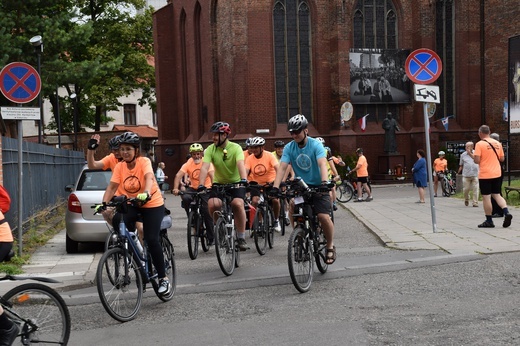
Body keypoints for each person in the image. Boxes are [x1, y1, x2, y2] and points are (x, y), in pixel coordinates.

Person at [96, 132, 171, 295]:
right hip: (132, 203)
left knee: (152, 239)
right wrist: (103, 204)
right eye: (122, 149)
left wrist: (145, 192)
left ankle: (163, 278)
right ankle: (134, 247)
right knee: (117, 220)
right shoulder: (120, 166)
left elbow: (149, 177)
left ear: (136, 150)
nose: (124, 152)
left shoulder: (144, 161)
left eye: (128, 149)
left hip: (151, 203)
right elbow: (112, 187)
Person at [271, 114, 336, 264]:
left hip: (319, 186)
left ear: (306, 130)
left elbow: (321, 163)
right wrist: (275, 187)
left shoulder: (316, 145)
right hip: (301, 187)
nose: (294, 135)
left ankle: (330, 245)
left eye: (297, 132)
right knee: (293, 206)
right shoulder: (289, 148)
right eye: (291, 132)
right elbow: (282, 167)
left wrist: (325, 183)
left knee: (323, 217)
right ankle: (299, 235)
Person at [197, 121, 249, 251]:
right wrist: (201, 184)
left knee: (237, 204)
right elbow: (204, 167)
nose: (213, 137)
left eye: (216, 135)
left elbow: (240, 164)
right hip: (219, 183)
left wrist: (244, 179)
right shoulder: (210, 149)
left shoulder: (235, 148)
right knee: (213, 204)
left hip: (236, 183)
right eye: (213, 135)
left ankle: (241, 237)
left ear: (225, 135)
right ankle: (219, 228)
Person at [172, 143, 215, 245]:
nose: (196, 156)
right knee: (186, 197)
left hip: (206, 188)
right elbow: (178, 176)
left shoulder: (206, 162)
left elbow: (212, 175)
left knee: (206, 210)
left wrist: (214, 187)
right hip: (194, 187)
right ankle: (192, 217)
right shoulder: (188, 163)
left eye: (198, 154)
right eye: (194, 154)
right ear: (191, 155)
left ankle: (211, 237)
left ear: (201, 154)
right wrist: (175, 188)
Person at [473, 125, 513, 228]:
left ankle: (489, 221)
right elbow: (502, 159)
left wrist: (476, 157)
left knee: (486, 197)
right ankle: (506, 211)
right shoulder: (498, 143)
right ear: (489, 132)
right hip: (497, 173)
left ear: (480, 133)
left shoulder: (479, 144)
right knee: (497, 194)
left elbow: (477, 160)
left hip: (485, 174)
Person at [245, 137, 281, 232]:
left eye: (256, 147)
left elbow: (278, 168)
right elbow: (245, 171)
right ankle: (256, 223)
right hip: (256, 184)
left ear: (262, 147)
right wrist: (244, 181)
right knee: (255, 201)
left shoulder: (269, 156)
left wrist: (279, 181)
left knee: (275, 201)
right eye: (252, 148)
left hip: (270, 183)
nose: (254, 150)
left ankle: (276, 220)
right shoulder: (249, 158)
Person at [458, 142, 479, 207]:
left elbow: (478, 161)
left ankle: (475, 202)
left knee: (476, 189)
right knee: (466, 189)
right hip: (466, 175)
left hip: (475, 174)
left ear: (472, 147)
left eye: (468, 147)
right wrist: (458, 172)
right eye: (466, 147)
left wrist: (470, 153)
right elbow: (461, 165)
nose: (466, 148)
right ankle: (466, 198)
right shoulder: (463, 155)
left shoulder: (476, 153)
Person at [490, 132, 504, 217]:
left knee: (494, 192)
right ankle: (498, 210)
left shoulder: (494, 147)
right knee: (497, 191)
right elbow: (502, 159)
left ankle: (498, 210)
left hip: (493, 171)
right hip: (499, 170)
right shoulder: (500, 146)